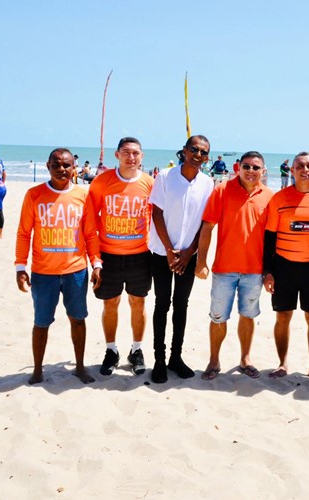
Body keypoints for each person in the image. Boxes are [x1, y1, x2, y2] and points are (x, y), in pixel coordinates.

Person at [15, 148, 103, 384]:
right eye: (57, 165)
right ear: (48, 166)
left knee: (78, 318)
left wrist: (96, 263)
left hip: (76, 271)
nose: (62, 169)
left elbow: (91, 234)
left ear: (74, 167)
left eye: (66, 165)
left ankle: (81, 367)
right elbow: (24, 233)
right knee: (41, 322)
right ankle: (37, 370)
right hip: (44, 273)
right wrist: (20, 267)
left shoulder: (83, 196)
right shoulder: (34, 195)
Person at [195, 151, 274, 380]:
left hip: (254, 270)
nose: (251, 171)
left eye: (256, 167)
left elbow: (272, 238)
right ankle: (213, 360)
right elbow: (207, 227)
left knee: (248, 315)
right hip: (224, 269)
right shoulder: (222, 190)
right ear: (238, 167)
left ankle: (245, 358)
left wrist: (270, 272)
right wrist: (201, 263)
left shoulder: (269, 196)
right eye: (246, 166)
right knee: (218, 316)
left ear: (263, 171)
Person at [263, 151, 309, 380]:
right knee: (283, 316)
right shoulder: (279, 198)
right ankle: (282, 363)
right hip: (284, 267)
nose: (305, 169)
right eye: (300, 166)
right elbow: (269, 237)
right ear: (292, 170)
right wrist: (268, 272)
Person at [85, 137, 154, 376]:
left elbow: (159, 220)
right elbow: (90, 223)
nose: (131, 157)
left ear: (142, 156)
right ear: (117, 155)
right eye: (126, 152)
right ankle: (111, 350)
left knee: (138, 303)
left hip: (140, 255)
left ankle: (136, 350)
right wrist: (95, 260)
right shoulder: (102, 182)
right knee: (110, 303)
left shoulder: (149, 183)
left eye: (136, 153)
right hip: (108, 255)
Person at [147, 135, 214, 383]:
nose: (198, 154)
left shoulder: (208, 184)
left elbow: (206, 223)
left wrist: (188, 253)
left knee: (181, 305)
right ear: (184, 151)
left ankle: (176, 357)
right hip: (161, 253)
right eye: (193, 149)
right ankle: (159, 360)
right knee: (161, 304)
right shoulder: (165, 176)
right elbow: (157, 214)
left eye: (203, 152)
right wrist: (169, 250)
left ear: (207, 158)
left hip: (189, 254)